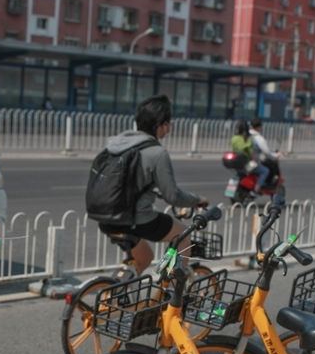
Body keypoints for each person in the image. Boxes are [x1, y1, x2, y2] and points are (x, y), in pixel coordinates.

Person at [96, 94, 208, 275]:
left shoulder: (116, 145)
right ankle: (174, 291)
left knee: (145, 258)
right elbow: (173, 196)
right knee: (184, 235)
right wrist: (197, 200)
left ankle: (118, 292)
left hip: (107, 218)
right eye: (168, 124)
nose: (169, 129)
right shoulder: (157, 153)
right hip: (136, 220)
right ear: (160, 125)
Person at [230, 120, 269, 197]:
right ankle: (256, 190)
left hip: (236, 164)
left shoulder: (234, 138)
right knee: (265, 171)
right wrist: (256, 161)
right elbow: (252, 154)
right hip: (247, 164)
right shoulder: (248, 139)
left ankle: (232, 191)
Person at [249, 117, 282, 188]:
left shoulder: (246, 135)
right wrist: (276, 155)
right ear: (259, 127)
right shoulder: (258, 138)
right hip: (253, 162)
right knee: (265, 171)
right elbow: (267, 152)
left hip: (245, 161)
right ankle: (257, 189)